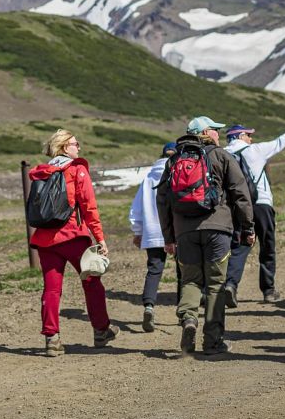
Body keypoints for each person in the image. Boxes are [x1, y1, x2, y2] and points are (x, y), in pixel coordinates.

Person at [157, 116, 254, 355]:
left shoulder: (174, 160)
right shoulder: (221, 156)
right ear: (206, 132)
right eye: (215, 131)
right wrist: (248, 227)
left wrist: (169, 236)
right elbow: (240, 193)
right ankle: (212, 341)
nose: (218, 135)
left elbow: (162, 200)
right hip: (217, 228)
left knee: (190, 280)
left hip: (184, 231)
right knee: (215, 285)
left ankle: (189, 318)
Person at [29, 129, 116, 356]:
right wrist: (100, 238)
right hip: (73, 236)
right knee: (91, 281)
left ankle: (51, 338)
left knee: (51, 289)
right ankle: (101, 329)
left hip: (45, 238)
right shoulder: (76, 170)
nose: (79, 148)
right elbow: (89, 207)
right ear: (65, 148)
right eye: (76, 144)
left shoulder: (42, 172)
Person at [223, 119, 285, 306]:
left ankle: (230, 285)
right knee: (267, 247)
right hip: (262, 205)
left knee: (241, 246)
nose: (251, 138)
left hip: (238, 207)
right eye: (248, 135)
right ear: (240, 136)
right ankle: (268, 291)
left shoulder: (224, 154)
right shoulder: (255, 151)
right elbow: (282, 141)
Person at [128, 142, 177, 331]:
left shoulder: (148, 178)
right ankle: (183, 312)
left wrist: (138, 232)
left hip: (152, 231)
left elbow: (136, 209)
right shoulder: (178, 174)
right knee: (184, 270)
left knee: (154, 270)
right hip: (175, 230)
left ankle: (149, 306)